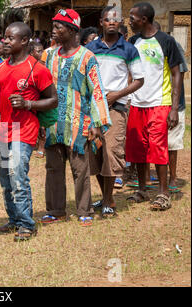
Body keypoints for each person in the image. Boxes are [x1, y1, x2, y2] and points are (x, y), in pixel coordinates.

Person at [42, 9, 111, 227]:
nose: (53, 31)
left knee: (80, 169)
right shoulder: (48, 55)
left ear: (72, 30)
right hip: (53, 123)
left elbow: (97, 90)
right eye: (53, 26)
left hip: (79, 123)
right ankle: (55, 210)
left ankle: (84, 210)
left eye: (58, 27)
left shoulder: (87, 57)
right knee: (53, 168)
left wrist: (97, 124)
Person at [0, 22, 57, 241]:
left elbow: (53, 100)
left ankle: (27, 223)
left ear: (25, 41)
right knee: (5, 180)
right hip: (3, 130)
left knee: (18, 177)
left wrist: (28, 104)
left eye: (11, 38)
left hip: (25, 130)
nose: (5, 41)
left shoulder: (37, 69)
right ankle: (14, 219)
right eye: (5, 38)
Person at [86, 6, 145, 217]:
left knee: (111, 153)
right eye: (107, 19)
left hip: (116, 109)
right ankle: (106, 196)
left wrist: (117, 94)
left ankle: (109, 200)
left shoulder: (129, 49)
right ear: (101, 22)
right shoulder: (90, 48)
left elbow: (139, 80)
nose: (112, 22)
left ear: (120, 23)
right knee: (97, 155)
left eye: (116, 19)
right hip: (93, 111)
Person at [125, 2, 182, 211]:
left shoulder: (166, 41)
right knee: (138, 148)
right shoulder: (133, 41)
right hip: (136, 103)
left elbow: (177, 73)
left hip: (159, 102)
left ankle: (163, 193)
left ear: (144, 19)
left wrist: (174, 108)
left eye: (133, 18)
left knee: (158, 148)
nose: (129, 21)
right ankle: (142, 189)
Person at [154, 21, 187, 194]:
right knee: (157, 143)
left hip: (174, 104)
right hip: (155, 103)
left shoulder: (172, 45)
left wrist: (175, 106)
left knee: (172, 143)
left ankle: (172, 177)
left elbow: (179, 74)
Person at [29, 41, 47, 159]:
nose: (42, 53)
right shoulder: (30, 65)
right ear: (31, 53)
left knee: (43, 124)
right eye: (38, 51)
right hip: (32, 98)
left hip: (42, 97)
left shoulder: (43, 66)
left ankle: (41, 146)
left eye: (42, 50)